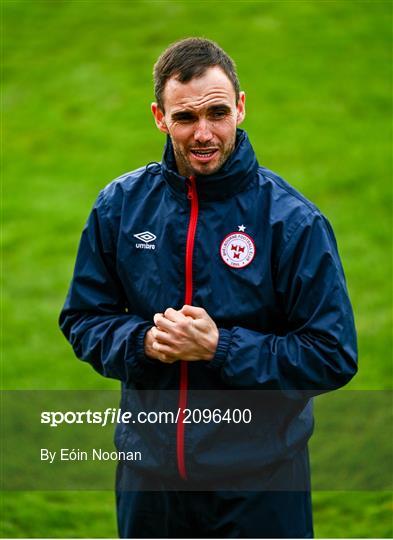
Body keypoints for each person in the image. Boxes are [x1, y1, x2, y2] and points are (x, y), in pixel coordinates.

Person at [59, 37, 357, 538]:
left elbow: (331, 354)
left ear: (241, 107)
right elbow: (83, 318)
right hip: (149, 483)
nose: (203, 133)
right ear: (159, 116)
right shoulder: (119, 206)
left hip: (260, 487)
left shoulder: (291, 221)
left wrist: (220, 348)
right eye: (185, 118)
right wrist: (143, 343)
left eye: (217, 113)